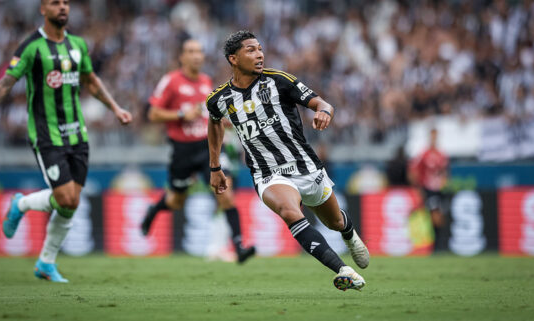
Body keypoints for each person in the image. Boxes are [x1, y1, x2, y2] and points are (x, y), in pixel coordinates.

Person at [0, 0, 132, 282]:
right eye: (54, 3)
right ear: (42, 9)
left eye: (65, 3)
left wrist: (115, 107)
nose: (62, 7)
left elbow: (91, 81)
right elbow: (3, 86)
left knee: (70, 203)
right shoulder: (31, 47)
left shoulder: (78, 45)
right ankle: (21, 205)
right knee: (65, 197)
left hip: (78, 135)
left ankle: (46, 263)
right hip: (47, 135)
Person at [207, 30, 369, 291]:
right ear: (233, 59)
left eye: (260, 48)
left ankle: (349, 233)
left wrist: (324, 113)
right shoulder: (219, 99)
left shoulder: (279, 81)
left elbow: (322, 103)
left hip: (306, 167)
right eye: (251, 50)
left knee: (334, 222)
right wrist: (215, 167)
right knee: (289, 211)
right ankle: (343, 269)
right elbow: (214, 124)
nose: (259, 54)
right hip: (267, 173)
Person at [139, 36, 255, 264]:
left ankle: (239, 246)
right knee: (176, 202)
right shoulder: (171, 81)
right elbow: (152, 114)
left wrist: (230, 121)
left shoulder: (205, 82)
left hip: (207, 147)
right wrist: (181, 114)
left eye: (199, 51)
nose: (196, 55)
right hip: (182, 151)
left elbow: (209, 116)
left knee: (225, 193)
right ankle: (154, 209)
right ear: (182, 56)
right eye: (191, 51)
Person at [408, 128, 449, 251]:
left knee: (439, 217)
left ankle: (438, 244)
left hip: (439, 189)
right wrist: (418, 187)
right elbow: (413, 170)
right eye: (432, 136)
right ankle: (437, 246)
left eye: (435, 136)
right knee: (434, 216)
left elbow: (444, 172)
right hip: (429, 189)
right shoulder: (424, 154)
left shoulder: (442, 155)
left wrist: (444, 182)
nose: (434, 139)